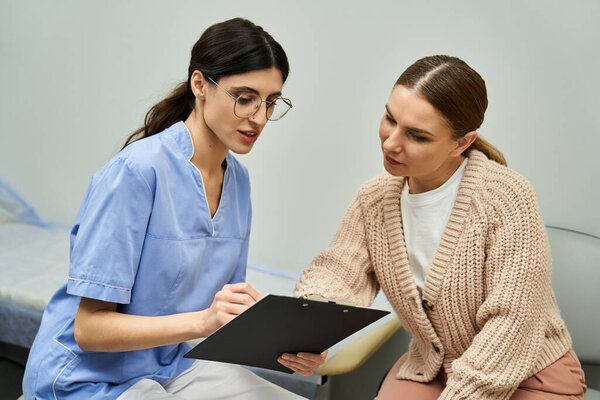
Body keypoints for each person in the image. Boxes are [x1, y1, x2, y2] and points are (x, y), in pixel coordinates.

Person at [22, 17, 325, 400]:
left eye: (270, 102)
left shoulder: (238, 182)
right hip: (86, 378)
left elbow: (221, 314)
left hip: (173, 366)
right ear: (200, 84)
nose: (260, 117)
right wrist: (202, 321)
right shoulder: (136, 172)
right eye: (244, 98)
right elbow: (89, 329)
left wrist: (289, 347)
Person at [293, 55, 587, 399]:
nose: (391, 142)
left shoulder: (507, 197)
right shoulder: (373, 199)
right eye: (390, 118)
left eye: (417, 136)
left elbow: (513, 322)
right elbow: (340, 272)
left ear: (461, 142)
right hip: (432, 370)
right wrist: (310, 325)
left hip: (529, 372)